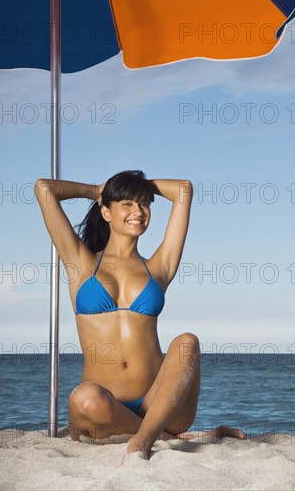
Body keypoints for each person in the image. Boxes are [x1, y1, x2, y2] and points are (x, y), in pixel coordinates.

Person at [34, 170, 245, 461]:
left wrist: (138, 187)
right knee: (84, 397)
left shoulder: (158, 267)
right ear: (106, 212)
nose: (139, 211)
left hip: (160, 405)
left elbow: (184, 189)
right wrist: (98, 189)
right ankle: (170, 438)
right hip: (102, 410)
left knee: (187, 342)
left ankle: (145, 438)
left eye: (144, 203)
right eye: (127, 204)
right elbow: (44, 189)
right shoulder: (80, 263)